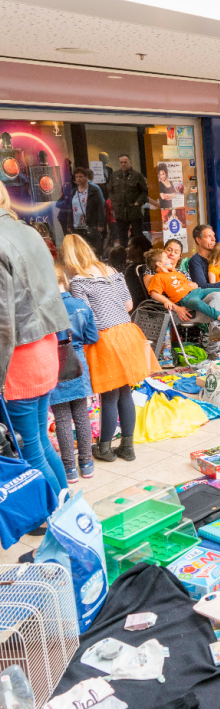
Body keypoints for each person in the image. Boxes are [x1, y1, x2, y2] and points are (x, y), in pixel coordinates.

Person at [0, 180, 71, 495]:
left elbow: (3, 320)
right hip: (44, 347)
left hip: (18, 358)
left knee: (31, 448)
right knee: (41, 442)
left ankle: (59, 517)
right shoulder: (26, 230)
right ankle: (67, 505)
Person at [61, 233, 150, 463]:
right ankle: (128, 447)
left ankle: (104, 448)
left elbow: (85, 316)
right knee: (126, 392)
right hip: (127, 333)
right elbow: (129, 305)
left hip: (104, 339)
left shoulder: (79, 281)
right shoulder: (113, 272)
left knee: (109, 395)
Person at [50, 264, 99, 484]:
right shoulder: (80, 305)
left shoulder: (46, 309)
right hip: (78, 360)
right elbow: (92, 337)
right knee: (81, 416)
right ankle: (87, 464)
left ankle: (69, 469)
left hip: (54, 364)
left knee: (61, 419)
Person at [145, 249, 220, 341]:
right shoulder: (157, 277)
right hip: (185, 300)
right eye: (166, 258)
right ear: (159, 264)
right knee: (197, 302)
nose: (169, 259)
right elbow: (154, 293)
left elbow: (188, 283)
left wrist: (194, 284)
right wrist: (166, 301)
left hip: (197, 292)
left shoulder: (177, 273)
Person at [57, 166, 106, 255]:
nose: (79, 179)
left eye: (81, 176)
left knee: (92, 248)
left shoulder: (93, 190)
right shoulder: (73, 191)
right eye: (77, 177)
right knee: (79, 249)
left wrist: (101, 224)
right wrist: (69, 224)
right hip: (77, 225)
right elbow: (70, 209)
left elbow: (100, 207)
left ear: (86, 177)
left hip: (90, 224)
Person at [106, 154, 148, 247]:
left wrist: (138, 203)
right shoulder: (115, 175)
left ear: (130, 162)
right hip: (120, 211)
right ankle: (124, 256)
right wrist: (114, 203)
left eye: (125, 162)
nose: (123, 164)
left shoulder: (137, 175)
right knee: (122, 237)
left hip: (134, 210)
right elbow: (110, 190)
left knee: (137, 236)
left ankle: (138, 256)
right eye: (121, 162)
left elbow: (144, 191)